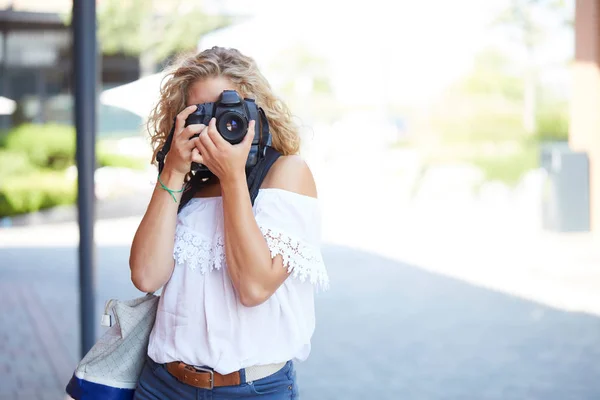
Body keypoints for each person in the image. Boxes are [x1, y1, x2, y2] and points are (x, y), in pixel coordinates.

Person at [130, 46, 329, 399]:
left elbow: (253, 288)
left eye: (228, 112)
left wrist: (233, 177)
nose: (215, 129)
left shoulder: (287, 174)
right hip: (162, 386)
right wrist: (174, 169)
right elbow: (146, 276)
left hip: (251, 390)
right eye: (202, 114)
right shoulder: (188, 185)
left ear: (256, 113)